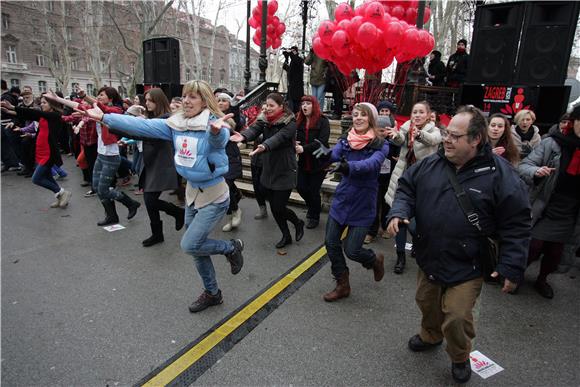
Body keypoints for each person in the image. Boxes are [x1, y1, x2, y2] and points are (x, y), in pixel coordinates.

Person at [387, 105, 531, 384]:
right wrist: (398, 211)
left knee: (455, 316)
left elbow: (517, 224)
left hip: (469, 264)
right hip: (429, 255)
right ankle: (430, 336)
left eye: (455, 135)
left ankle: (460, 356)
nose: (446, 140)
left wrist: (511, 267)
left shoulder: (500, 174)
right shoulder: (431, 163)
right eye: (446, 133)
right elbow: (406, 186)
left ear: (476, 139)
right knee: (426, 302)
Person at [81, 80, 244, 313]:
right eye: (185, 96)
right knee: (197, 249)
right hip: (191, 194)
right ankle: (212, 292)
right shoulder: (176, 124)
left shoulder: (213, 125)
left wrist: (217, 132)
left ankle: (230, 247)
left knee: (190, 245)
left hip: (214, 196)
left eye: (193, 97)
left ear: (205, 101)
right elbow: (143, 127)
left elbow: (219, 141)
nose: (187, 101)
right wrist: (106, 118)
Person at [316, 102, 389, 302]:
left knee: (352, 250)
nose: (358, 118)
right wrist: (325, 155)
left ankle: (374, 260)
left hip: (363, 202)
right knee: (330, 243)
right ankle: (342, 284)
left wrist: (346, 167)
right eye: (355, 114)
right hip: (343, 199)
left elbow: (371, 164)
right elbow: (334, 157)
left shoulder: (380, 144)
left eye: (363, 115)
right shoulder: (346, 140)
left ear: (371, 119)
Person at [45, 88, 141, 226]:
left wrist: (86, 96)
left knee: (103, 189)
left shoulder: (116, 110)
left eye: (102, 95)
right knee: (97, 187)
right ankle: (112, 215)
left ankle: (130, 203)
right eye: (99, 95)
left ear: (111, 98)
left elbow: (102, 108)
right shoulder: (96, 109)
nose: (99, 97)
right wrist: (58, 99)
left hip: (111, 157)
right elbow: (78, 106)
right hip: (101, 155)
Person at [518, 105, 580, 299]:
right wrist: (536, 172)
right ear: (573, 122)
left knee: (555, 252)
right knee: (534, 246)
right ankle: (515, 273)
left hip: (570, 211)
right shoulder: (552, 144)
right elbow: (524, 165)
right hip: (546, 205)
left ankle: (542, 279)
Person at [231, 93, 304, 248]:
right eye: (267, 105)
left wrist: (264, 145)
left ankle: (297, 223)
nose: (268, 108)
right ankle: (286, 235)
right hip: (268, 169)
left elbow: (279, 138)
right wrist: (243, 137)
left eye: (272, 106)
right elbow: (253, 130)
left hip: (285, 170)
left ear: (281, 107)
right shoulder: (264, 120)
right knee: (275, 208)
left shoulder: (290, 122)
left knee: (278, 207)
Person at [385, 101, 442, 274]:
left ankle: (419, 245)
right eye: (414, 112)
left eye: (421, 112)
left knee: (418, 222)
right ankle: (400, 255)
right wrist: (395, 136)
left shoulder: (434, 130)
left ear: (428, 114)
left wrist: (418, 135)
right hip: (403, 177)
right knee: (400, 217)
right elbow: (401, 140)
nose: (417, 115)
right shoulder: (406, 126)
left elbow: (432, 141)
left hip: (423, 180)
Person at [1, 95, 72, 208]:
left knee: (36, 179)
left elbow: (34, 113)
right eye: (41, 103)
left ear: (52, 104)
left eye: (44, 103)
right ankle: (59, 196)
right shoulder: (44, 116)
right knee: (47, 177)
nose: (42, 105)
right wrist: (9, 111)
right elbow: (29, 115)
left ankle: (62, 192)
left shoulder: (55, 115)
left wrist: (13, 107)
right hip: (40, 151)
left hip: (49, 153)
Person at [138, 88, 184, 247]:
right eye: (146, 100)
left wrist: (111, 122)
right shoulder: (153, 118)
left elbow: (145, 134)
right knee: (149, 200)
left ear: (159, 101)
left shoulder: (165, 119)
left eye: (150, 100)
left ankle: (178, 212)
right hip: (152, 164)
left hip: (161, 164)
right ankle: (157, 234)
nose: (147, 103)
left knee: (150, 200)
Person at [365, 101, 399, 243]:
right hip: (375, 177)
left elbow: (398, 156)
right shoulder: (372, 141)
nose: (382, 132)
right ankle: (371, 231)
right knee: (374, 203)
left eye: (385, 130)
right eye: (380, 130)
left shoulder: (395, 141)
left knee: (386, 203)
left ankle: (384, 227)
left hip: (389, 177)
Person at [295, 95, 330, 229]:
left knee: (314, 190)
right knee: (301, 187)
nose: (304, 106)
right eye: (303, 103)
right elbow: (294, 136)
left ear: (314, 106)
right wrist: (294, 143)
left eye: (308, 103)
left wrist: (304, 148)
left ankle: (314, 216)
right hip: (303, 162)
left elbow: (322, 142)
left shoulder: (323, 121)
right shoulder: (299, 121)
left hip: (319, 162)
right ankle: (314, 206)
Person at [216, 92, 244, 232]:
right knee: (225, 186)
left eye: (224, 101)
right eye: (218, 100)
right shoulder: (212, 116)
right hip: (218, 157)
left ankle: (236, 210)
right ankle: (230, 216)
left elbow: (237, 121)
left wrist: (234, 106)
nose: (220, 103)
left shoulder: (233, 117)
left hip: (231, 157)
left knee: (225, 185)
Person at [250, 103, 269, 220]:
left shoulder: (275, 125)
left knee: (264, 187)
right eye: (263, 109)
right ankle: (262, 208)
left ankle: (276, 208)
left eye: (267, 109)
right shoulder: (257, 124)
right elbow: (250, 134)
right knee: (256, 186)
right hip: (255, 159)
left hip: (267, 161)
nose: (265, 111)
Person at [282, 46, 304, 114]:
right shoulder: (292, 61)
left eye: (294, 51)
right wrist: (286, 58)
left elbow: (296, 60)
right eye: (291, 50)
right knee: (290, 107)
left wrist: (291, 54)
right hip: (291, 88)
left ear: (297, 52)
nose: (292, 52)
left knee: (296, 108)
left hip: (297, 88)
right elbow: (287, 68)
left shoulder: (299, 60)